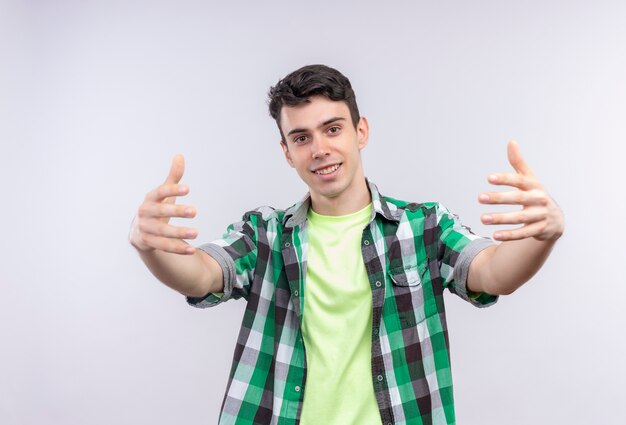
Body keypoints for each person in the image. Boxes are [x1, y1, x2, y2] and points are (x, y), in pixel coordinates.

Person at [129, 64, 564, 425]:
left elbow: (491, 272)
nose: (319, 149)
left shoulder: (424, 226)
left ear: (361, 131)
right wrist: (152, 248)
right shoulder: (264, 233)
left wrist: (543, 236)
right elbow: (204, 274)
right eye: (301, 138)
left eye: (332, 129)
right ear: (287, 152)